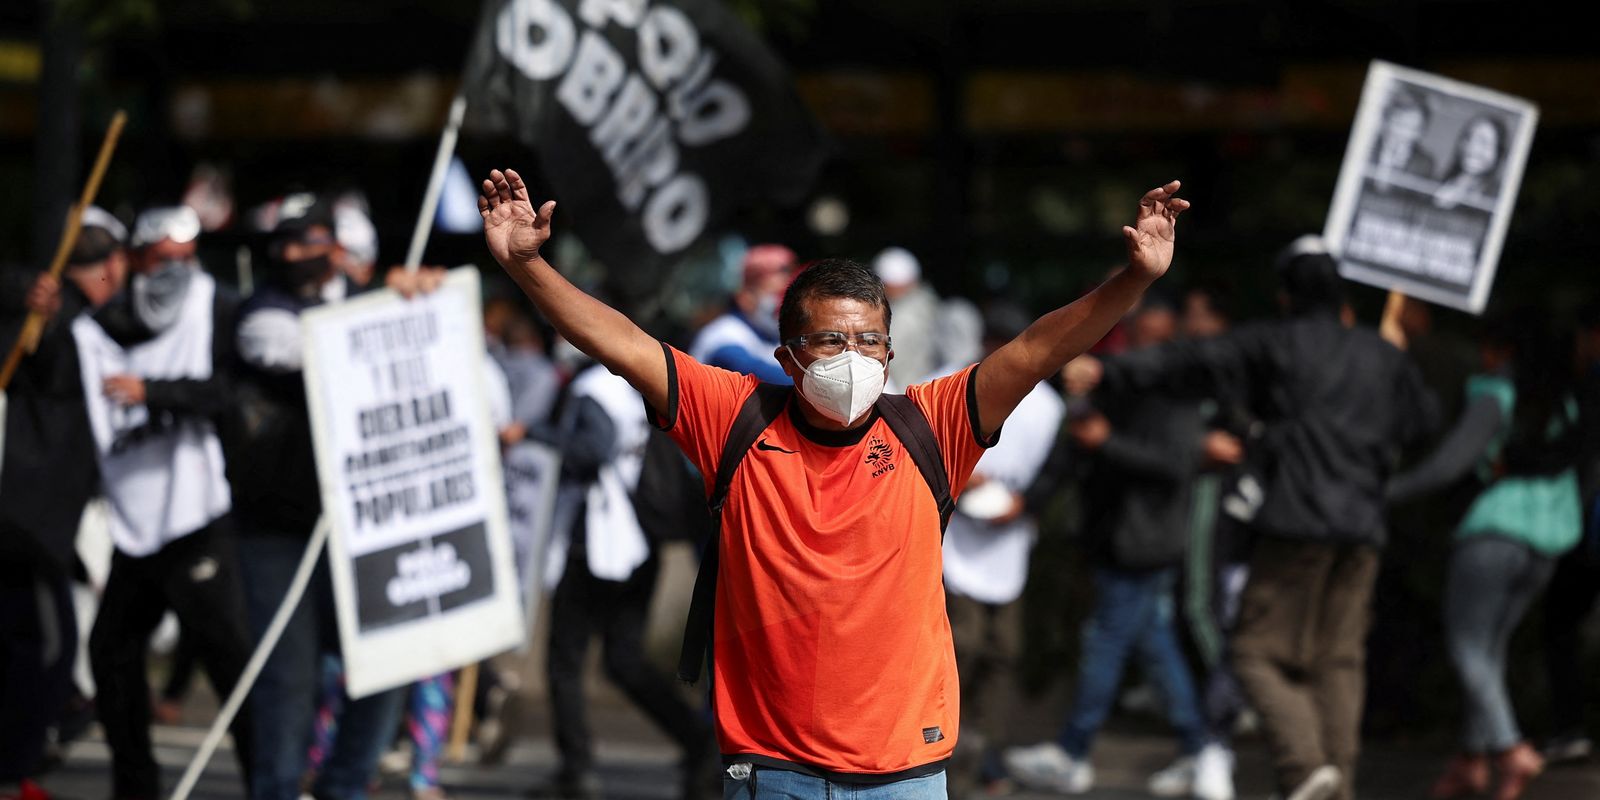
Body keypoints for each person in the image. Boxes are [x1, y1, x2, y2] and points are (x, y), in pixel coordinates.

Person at [477, 167, 1187, 799]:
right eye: (831, 340)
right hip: (772, 768)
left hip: (906, 768)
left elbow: (1037, 349)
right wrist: (526, 266)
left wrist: (1135, 279)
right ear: (788, 355)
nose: (854, 356)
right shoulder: (733, 418)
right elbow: (622, 342)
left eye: (869, 340)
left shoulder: (933, 427)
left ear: (891, 349)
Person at [1062, 235, 1440, 800]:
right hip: (1362, 532)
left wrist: (1106, 374)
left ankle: (1306, 764)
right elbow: (1424, 422)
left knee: (1252, 652)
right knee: (1339, 662)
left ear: (1285, 296)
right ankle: (1337, 784)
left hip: (1296, 527)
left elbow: (1191, 359)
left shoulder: (1276, 343)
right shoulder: (1382, 356)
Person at [229, 194, 441, 800]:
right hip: (278, 527)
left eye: (311, 241)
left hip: (362, 524)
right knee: (289, 679)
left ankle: (345, 785)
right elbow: (310, 350)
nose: (297, 255)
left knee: (389, 662)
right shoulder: (263, 312)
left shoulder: (364, 305)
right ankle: (275, 789)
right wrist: (389, 309)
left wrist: (418, 302)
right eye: (287, 243)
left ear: (338, 249)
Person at [1004, 297, 1232, 800]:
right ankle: (1200, 748)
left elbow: (1174, 465)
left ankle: (1073, 751)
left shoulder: (1178, 390)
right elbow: (1074, 447)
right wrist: (1032, 500)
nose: (1142, 339)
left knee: (1106, 640)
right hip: (1116, 535)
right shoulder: (1116, 385)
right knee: (1155, 644)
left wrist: (1108, 443)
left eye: (1154, 328)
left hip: (1145, 541)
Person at [74, 204, 255, 799]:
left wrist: (154, 392)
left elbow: (231, 392)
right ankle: (135, 786)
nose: (175, 271)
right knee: (111, 653)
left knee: (226, 654)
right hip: (137, 523)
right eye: (162, 260)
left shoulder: (218, 307)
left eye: (185, 258)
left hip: (198, 514)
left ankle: (272, 779)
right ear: (136, 260)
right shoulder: (103, 324)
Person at [1388, 310, 1582, 800]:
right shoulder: (1563, 403)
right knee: (1490, 651)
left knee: (1469, 647)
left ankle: (1510, 748)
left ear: (1502, 351)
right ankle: (1470, 762)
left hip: (1494, 535)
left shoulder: (1495, 394)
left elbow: (1449, 465)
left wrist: (1387, 491)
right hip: (1550, 540)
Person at [524, 352, 717, 800]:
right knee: (624, 660)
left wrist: (533, 434)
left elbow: (593, 449)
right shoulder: (632, 387)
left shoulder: (594, 388)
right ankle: (697, 740)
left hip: (594, 544)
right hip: (638, 542)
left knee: (565, 662)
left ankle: (577, 770)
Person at [0, 208, 127, 800]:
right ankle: (14, 770)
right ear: (105, 267)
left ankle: (20, 763)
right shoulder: (58, 323)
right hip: (26, 523)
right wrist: (32, 302)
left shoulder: (96, 325)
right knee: (48, 652)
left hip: (49, 523)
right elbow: (44, 357)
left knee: (43, 653)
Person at [940, 302, 1066, 798]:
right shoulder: (955, 387)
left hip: (1009, 543)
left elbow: (1059, 470)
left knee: (1003, 653)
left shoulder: (1049, 405)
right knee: (961, 647)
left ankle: (980, 754)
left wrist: (1027, 502)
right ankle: (938, 749)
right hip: (956, 543)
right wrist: (962, 477)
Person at [1540, 298, 1600, 765]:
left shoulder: (1591, 386)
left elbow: (1578, 455)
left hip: (1587, 523)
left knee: (1560, 623)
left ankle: (1569, 727)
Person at [688, 243, 796, 384]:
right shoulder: (723, 336)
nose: (785, 306)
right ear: (744, 296)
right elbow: (786, 382)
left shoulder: (774, 336)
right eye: (776, 296)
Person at [1432, 115, 1507, 211]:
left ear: (1498, 152)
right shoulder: (1441, 180)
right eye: (1469, 138)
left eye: (1484, 142)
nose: (1472, 148)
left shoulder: (1496, 199)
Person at [1371, 87, 1436, 191]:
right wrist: (1386, 160)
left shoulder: (1424, 164)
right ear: (1385, 121)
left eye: (1412, 128)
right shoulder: (1367, 148)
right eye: (1399, 124)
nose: (1403, 134)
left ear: (1421, 132)